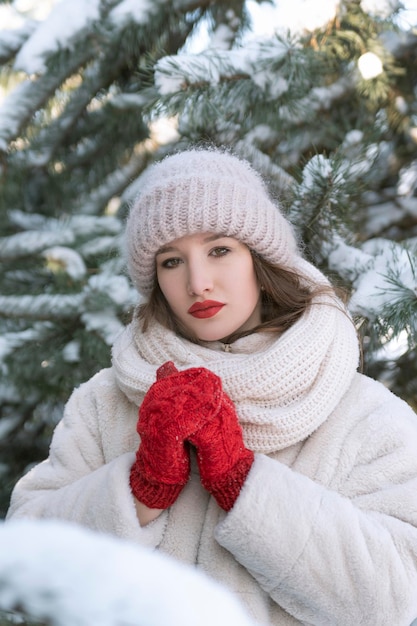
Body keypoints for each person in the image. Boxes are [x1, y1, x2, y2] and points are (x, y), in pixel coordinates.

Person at [6, 148, 417, 625]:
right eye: (171, 261)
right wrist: (140, 490)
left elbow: (395, 597)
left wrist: (243, 480)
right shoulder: (106, 402)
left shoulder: (363, 414)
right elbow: (23, 559)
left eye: (219, 250)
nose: (198, 282)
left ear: (260, 262)